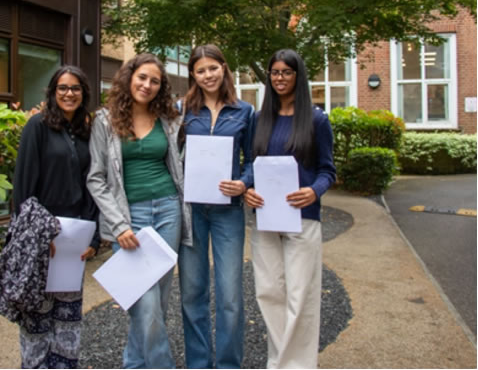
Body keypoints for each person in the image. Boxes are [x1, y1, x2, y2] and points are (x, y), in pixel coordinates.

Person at [87, 53, 191, 368]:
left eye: (154, 81)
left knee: (157, 300)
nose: (146, 85)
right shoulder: (105, 120)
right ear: (129, 77)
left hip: (168, 210)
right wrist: (118, 225)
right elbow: (96, 178)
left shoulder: (170, 120)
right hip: (130, 219)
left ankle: (134, 363)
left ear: (161, 87)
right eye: (142, 77)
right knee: (144, 303)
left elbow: (181, 164)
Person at [244, 49, 336, 368]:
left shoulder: (316, 119)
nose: (280, 78)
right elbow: (251, 166)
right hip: (266, 219)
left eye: (287, 72)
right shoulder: (259, 119)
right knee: (268, 293)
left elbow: (328, 170)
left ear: (299, 76)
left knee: (301, 297)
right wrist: (248, 190)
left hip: (303, 219)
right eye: (275, 72)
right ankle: (280, 361)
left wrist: (313, 191)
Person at [12, 65, 100, 369]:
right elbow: (23, 187)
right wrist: (39, 232)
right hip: (42, 237)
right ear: (52, 92)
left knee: (68, 320)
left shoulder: (86, 131)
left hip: (75, 237)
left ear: (84, 94)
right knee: (37, 319)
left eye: (76, 88)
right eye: (63, 88)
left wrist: (95, 235)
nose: (69, 93)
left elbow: (94, 184)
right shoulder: (37, 126)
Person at [178, 44, 255, 369]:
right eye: (201, 70)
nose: (208, 75)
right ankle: (198, 364)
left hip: (228, 212)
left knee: (230, 297)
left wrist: (245, 182)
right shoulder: (182, 110)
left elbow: (253, 159)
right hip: (191, 211)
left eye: (213, 68)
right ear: (193, 75)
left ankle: (227, 365)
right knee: (192, 293)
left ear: (224, 68)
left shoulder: (245, 111)